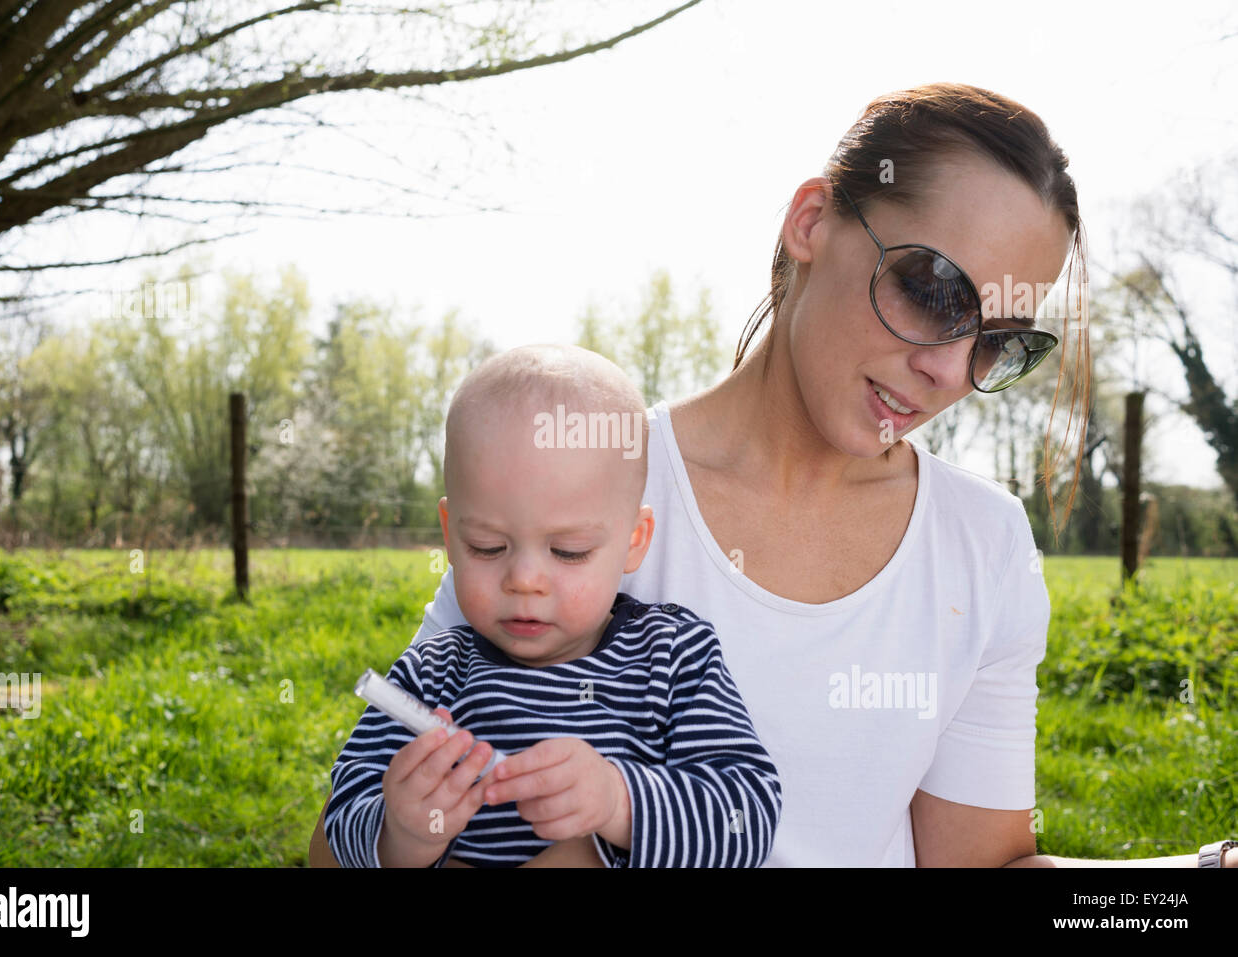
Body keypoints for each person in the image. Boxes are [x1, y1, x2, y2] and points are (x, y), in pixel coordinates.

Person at [312, 81, 1236, 867]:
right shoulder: (585, 482)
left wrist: (1171, 888)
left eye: (996, 340)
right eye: (937, 294)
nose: (952, 372)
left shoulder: (983, 544)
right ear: (812, 222)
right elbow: (344, 840)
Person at [322, 345, 782, 867]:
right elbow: (344, 807)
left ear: (635, 540)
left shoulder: (673, 657)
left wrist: (619, 801)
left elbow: (747, 811)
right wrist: (402, 834)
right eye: (487, 547)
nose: (524, 580)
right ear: (450, 536)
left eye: (569, 552)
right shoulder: (435, 673)